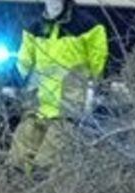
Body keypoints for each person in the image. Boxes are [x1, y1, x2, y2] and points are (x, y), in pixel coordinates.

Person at [8, 0, 108, 176]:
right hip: (37, 109)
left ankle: (44, 191)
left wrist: (95, 96)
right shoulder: (35, 28)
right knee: (16, 163)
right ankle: (14, 192)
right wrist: (10, 86)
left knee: (45, 167)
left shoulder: (89, 27)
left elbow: (99, 66)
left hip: (67, 112)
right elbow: (22, 63)